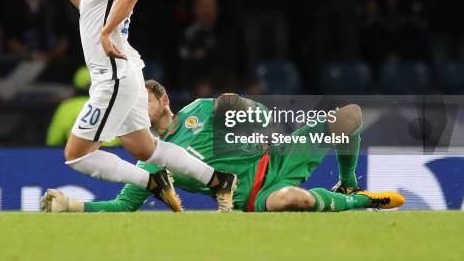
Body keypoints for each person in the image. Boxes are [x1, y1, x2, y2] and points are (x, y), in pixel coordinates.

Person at [44, 0, 237, 212]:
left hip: (113, 77)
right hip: (126, 72)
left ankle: (152, 182)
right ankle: (218, 179)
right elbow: (91, 9)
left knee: (77, 155)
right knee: (143, 147)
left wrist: (107, 33)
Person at [42, 80, 406, 213]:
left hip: (276, 152)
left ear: (163, 99)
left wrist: (244, 107)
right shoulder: (151, 162)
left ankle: (349, 182)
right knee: (295, 199)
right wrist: (72, 205)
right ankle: (360, 201)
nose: (137, 107)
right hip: (254, 193)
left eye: (143, 99)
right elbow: (123, 205)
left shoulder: (200, 109)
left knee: (350, 116)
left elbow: (262, 117)